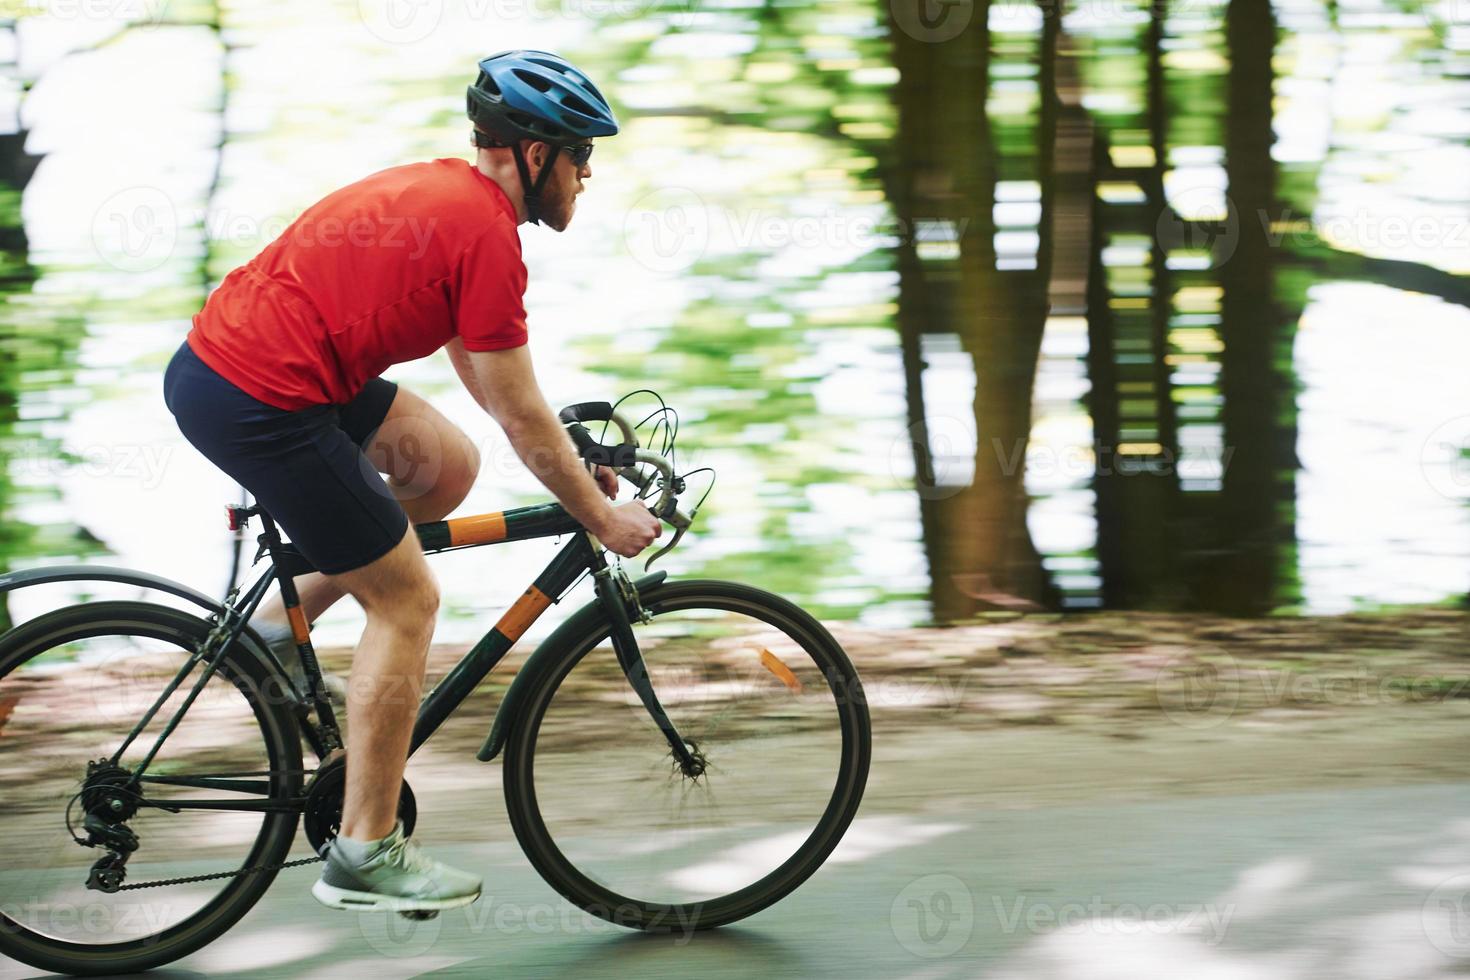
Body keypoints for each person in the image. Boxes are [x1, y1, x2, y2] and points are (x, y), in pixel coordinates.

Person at [162, 50, 662, 914]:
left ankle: (284, 629)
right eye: (583, 156)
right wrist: (600, 516)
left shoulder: (457, 203)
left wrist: (567, 457)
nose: (589, 177)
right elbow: (517, 408)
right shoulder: (484, 233)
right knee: (407, 602)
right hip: (263, 396)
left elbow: (490, 370)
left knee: (448, 466)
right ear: (535, 156)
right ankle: (364, 849)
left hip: (247, 367)